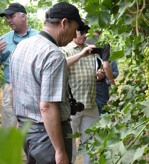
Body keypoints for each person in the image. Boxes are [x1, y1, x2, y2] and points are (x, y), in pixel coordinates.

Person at [9, 2, 92, 164]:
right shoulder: (53, 54)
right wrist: (60, 151)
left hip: (27, 132)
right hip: (48, 137)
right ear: (64, 23)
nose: (75, 36)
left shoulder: (22, 46)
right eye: (75, 29)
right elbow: (47, 106)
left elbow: (13, 90)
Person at [60, 25, 100, 164]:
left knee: (91, 143)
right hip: (72, 106)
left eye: (85, 32)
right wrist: (81, 54)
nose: (84, 35)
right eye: (81, 32)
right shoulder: (64, 49)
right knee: (70, 146)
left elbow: (95, 70)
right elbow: (60, 64)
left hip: (90, 104)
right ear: (73, 32)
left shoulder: (91, 49)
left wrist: (98, 74)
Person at [0, 3, 38, 128]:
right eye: (7, 18)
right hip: (10, 87)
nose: (9, 20)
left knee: (32, 129)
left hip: (33, 89)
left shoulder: (39, 37)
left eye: (12, 16)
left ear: (24, 16)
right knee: (10, 130)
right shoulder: (3, 40)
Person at [86, 31, 119, 115]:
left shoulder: (81, 43)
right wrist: (111, 82)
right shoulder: (104, 44)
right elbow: (109, 68)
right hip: (100, 85)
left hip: (86, 85)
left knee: (88, 112)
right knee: (102, 111)